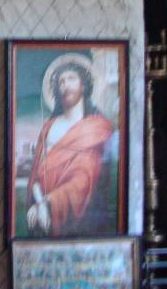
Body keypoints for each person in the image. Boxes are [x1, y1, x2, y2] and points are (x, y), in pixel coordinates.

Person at [25, 57, 114, 236]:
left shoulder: (97, 127)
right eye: (61, 81)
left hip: (82, 213)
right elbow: (36, 175)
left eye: (71, 78)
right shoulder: (49, 126)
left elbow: (85, 177)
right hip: (42, 210)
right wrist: (39, 203)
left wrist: (47, 203)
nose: (66, 85)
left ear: (83, 85)